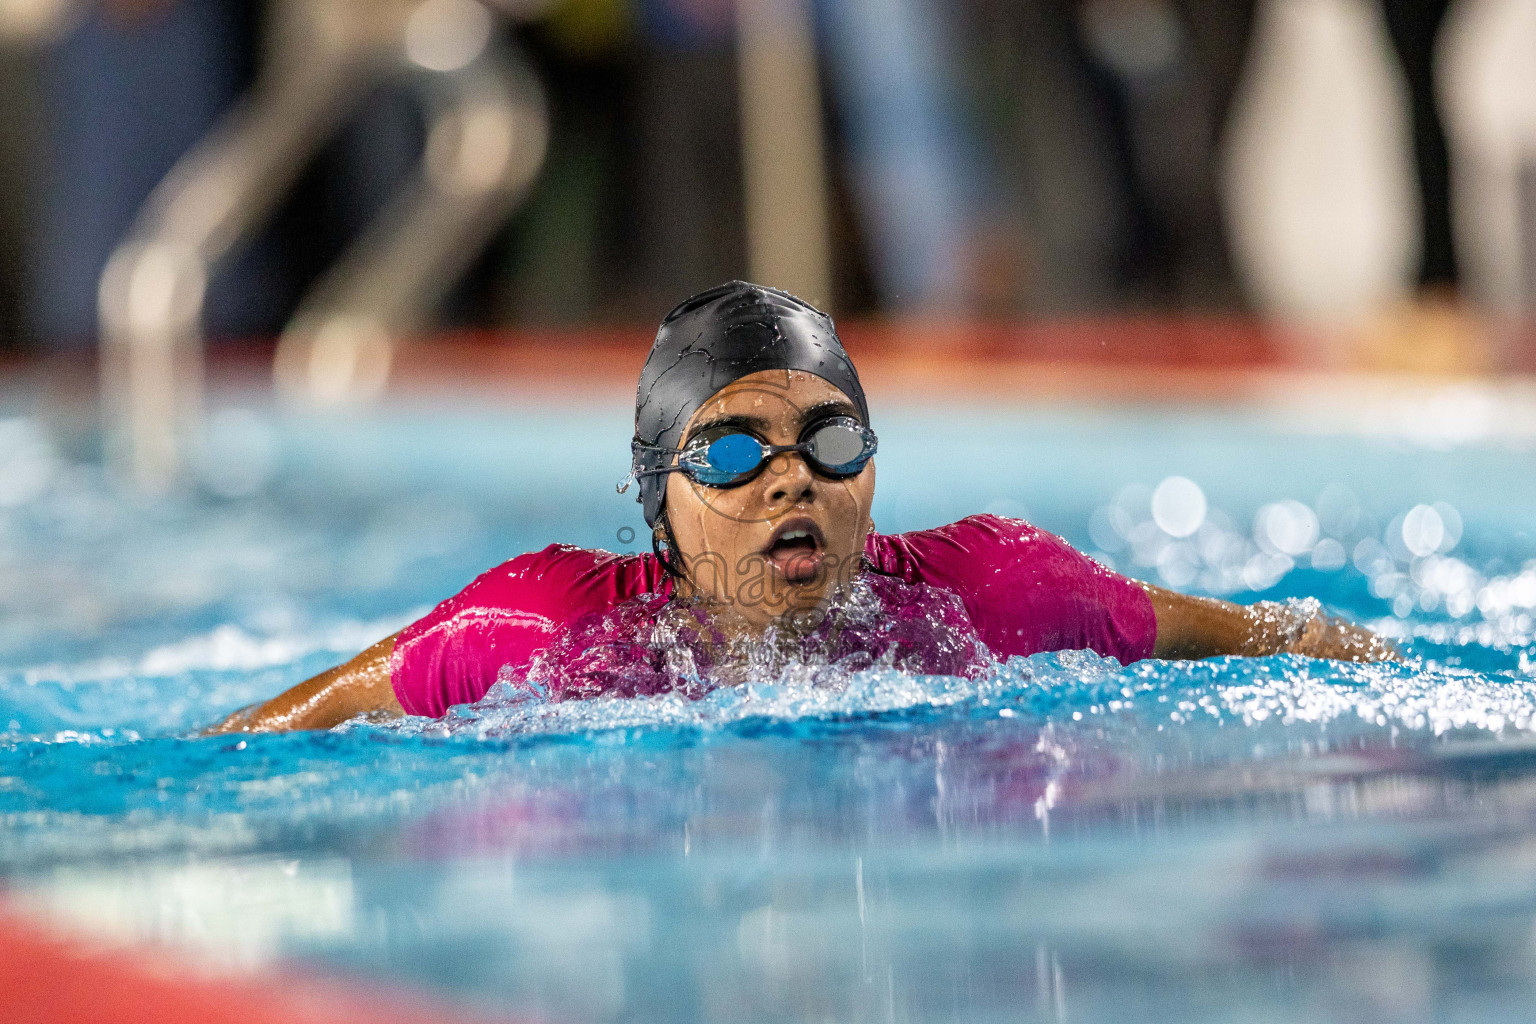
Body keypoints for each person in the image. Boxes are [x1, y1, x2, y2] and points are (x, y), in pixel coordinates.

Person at [209, 281, 1394, 734]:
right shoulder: (548, 628)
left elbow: (1274, 639)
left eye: (829, 440)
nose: (794, 480)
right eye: (729, 452)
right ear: (659, 502)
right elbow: (280, 727)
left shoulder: (990, 588)